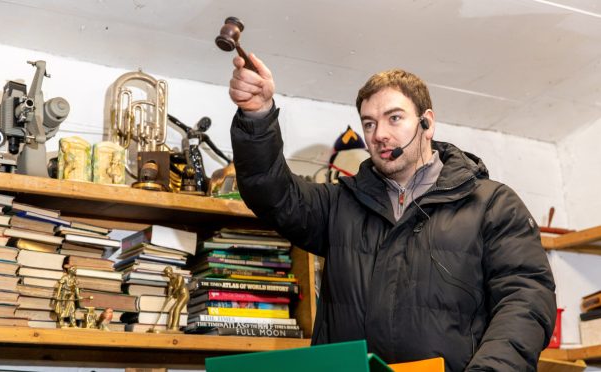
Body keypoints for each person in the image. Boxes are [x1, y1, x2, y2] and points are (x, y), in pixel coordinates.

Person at [227, 53, 557, 371]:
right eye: (369, 123)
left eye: (394, 118)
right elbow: (271, 194)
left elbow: (526, 301)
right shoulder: (340, 204)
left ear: (427, 123)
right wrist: (257, 117)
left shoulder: (492, 204)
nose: (379, 134)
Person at [162, 266, 189, 331]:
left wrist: (172, 295)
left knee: (177, 309)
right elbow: (170, 289)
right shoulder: (171, 281)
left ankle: (175, 327)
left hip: (184, 294)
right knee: (171, 310)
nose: (168, 275)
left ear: (172, 271)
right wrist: (168, 297)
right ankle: (169, 328)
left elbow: (178, 287)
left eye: (169, 273)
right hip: (179, 296)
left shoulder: (179, 276)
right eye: (167, 274)